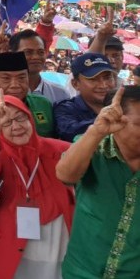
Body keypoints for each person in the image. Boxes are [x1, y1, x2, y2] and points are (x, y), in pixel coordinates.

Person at [0, 92, 74, 278]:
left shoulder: (61, 150)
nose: (16, 126)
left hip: (57, 236)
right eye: (6, 123)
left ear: (30, 118)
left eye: (21, 118)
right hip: (12, 238)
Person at [56, 85, 140, 278]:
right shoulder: (91, 147)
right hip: (81, 272)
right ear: (117, 120)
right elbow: (65, 175)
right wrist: (96, 131)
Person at [54, 53, 116, 142]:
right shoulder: (66, 108)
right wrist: (105, 120)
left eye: (107, 78)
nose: (103, 85)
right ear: (75, 84)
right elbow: (69, 132)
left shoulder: (124, 105)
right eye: (93, 79)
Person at [8, 28, 69, 103]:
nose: (36, 57)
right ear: (12, 54)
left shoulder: (60, 94)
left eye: (40, 52)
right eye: (28, 52)